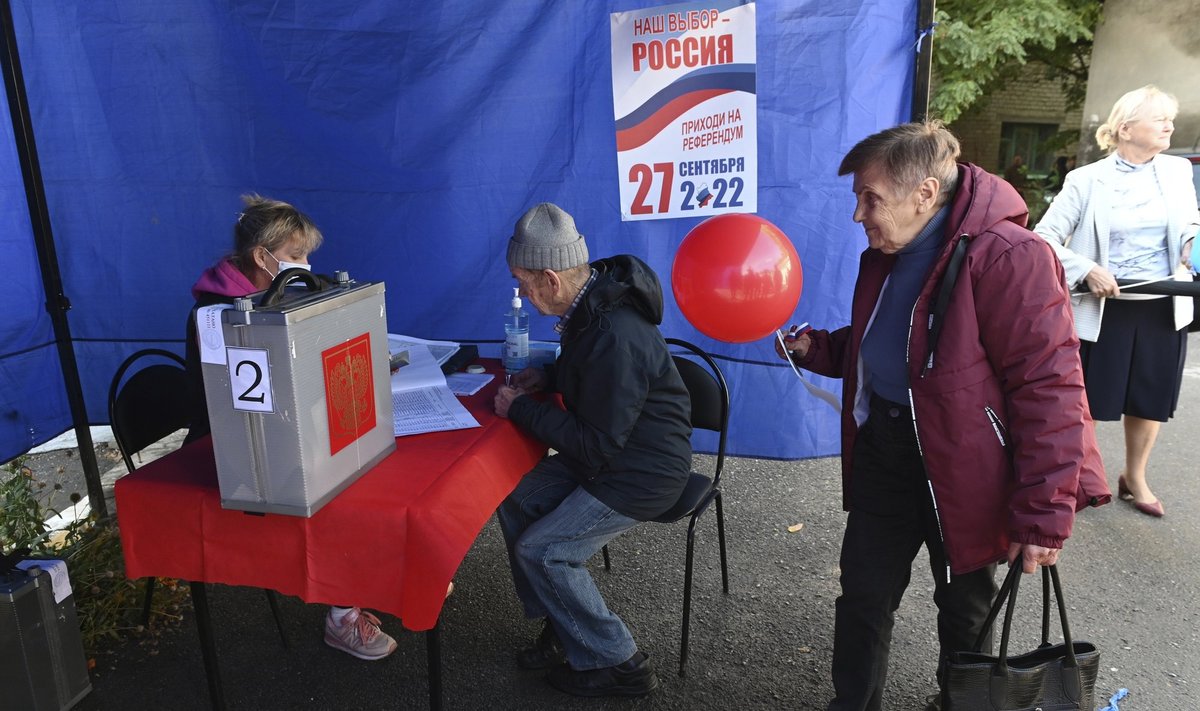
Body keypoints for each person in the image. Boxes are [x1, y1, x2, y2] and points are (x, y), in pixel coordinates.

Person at [775, 121, 1109, 711]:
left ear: (925, 193)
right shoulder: (890, 249)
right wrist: (821, 349)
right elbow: (895, 340)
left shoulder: (1012, 257)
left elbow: (1050, 388)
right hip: (887, 448)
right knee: (863, 597)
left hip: (964, 465)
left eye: (870, 198)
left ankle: (963, 704)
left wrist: (1044, 515)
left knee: (965, 611)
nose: (859, 214)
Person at [183, 194, 401, 661]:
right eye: (297, 255)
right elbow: (237, 404)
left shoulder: (282, 296)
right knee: (342, 493)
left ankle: (379, 578)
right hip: (231, 451)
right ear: (262, 257)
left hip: (284, 434)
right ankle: (342, 618)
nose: (306, 266)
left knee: (370, 472)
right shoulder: (218, 315)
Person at [492, 202, 692, 698]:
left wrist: (520, 409)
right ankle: (565, 624)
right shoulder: (594, 305)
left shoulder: (610, 331)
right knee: (514, 492)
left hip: (639, 473)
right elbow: (592, 381)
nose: (521, 292)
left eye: (523, 281)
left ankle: (620, 662)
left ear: (551, 280)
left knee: (544, 551)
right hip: (613, 458)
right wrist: (550, 376)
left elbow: (596, 441)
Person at [1034, 85, 1199, 518]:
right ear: (1126, 128)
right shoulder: (1086, 179)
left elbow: (1187, 225)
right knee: (1085, 400)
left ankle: (1135, 477)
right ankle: (1074, 476)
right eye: (1159, 117)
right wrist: (1086, 268)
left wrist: (1190, 245)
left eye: (1170, 117)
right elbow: (1042, 239)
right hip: (1104, 304)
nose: (1169, 124)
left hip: (1164, 301)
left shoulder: (1178, 171)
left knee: (1150, 398)